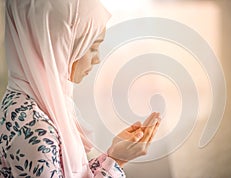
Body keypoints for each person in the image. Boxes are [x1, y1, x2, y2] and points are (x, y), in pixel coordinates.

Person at [0, 0, 161, 177]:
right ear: (58, 45)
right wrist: (116, 163)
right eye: (92, 47)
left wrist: (115, 157)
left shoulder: (26, 100)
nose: (97, 59)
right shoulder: (36, 131)